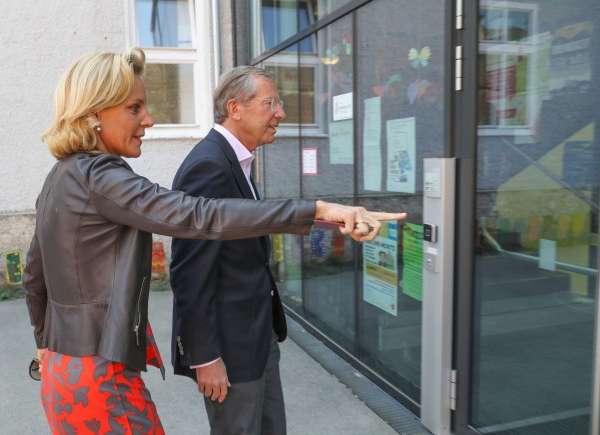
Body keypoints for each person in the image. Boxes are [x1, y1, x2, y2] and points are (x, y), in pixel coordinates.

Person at [23, 48, 406, 434]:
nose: (149, 119)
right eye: (134, 108)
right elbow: (199, 215)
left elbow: (34, 276)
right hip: (99, 378)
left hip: (63, 370)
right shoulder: (101, 176)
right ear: (94, 114)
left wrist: (44, 341)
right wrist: (319, 209)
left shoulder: (61, 176)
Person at [169, 66, 402, 435]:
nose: (281, 113)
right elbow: (188, 273)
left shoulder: (234, 159)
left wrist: (336, 219)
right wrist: (205, 357)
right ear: (235, 108)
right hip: (229, 349)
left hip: (256, 336)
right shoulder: (209, 165)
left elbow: (251, 223)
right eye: (270, 103)